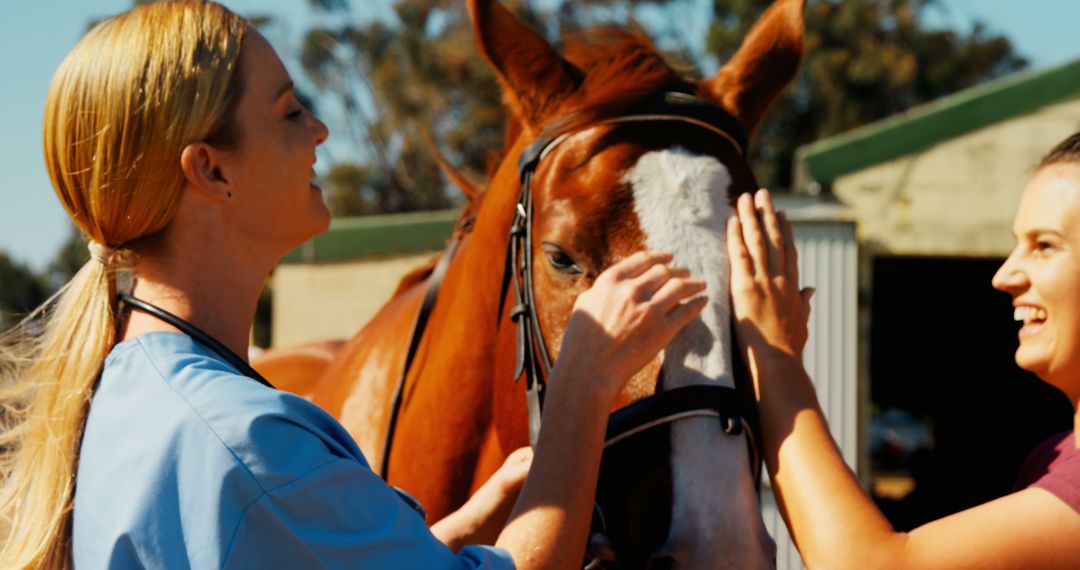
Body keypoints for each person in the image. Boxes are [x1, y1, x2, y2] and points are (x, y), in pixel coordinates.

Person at [0, 2, 709, 568]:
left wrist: (459, 529)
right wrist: (580, 389)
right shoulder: (246, 444)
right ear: (211, 170)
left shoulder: (128, 388)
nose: (321, 129)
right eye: (287, 112)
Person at [727, 134, 1080, 569]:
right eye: (1017, 244)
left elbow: (868, 565)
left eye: (1044, 245)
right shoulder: (1054, 455)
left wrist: (775, 357)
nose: (1004, 275)